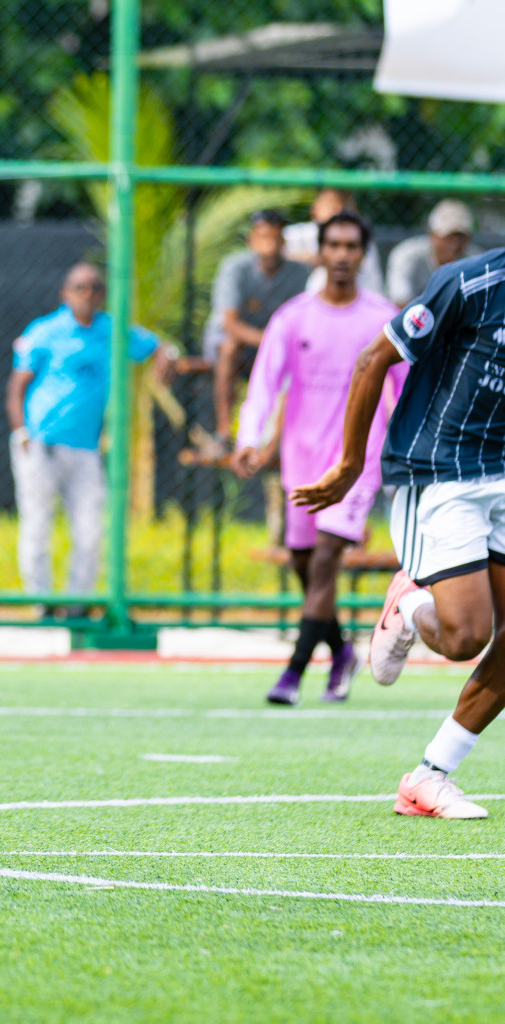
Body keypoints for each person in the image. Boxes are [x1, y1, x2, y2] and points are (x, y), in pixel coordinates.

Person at [293, 239, 505, 819]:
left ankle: (430, 777)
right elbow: (372, 360)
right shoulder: (468, 283)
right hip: (439, 472)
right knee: (465, 638)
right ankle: (410, 604)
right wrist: (348, 466)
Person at [230, 212, 403, 706]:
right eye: (335, 246)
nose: (343, 255)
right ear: (321, 253)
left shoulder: (380, 319)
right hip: (300, 459)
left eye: (352, 246)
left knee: (326, 558)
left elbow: (406, 388)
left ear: (362, 255)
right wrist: (248, 438)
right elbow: (264, 385)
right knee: (305, 564)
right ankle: (341, 652)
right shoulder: (293, 317)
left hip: (357, 461)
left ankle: (292, 674)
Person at [5, 263, 169, 612]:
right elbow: (17, 387)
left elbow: (157, 347)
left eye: (95, 288)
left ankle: (77, 603)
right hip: (41, 443)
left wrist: (165, 364)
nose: (87, 294)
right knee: (37, 525)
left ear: (103, 294)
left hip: (86, 447)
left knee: (91, 529)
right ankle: (42, 603)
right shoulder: (46, 331)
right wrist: (21, 433)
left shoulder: (111, 330)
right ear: (66, 293)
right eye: (80, 287)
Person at [210, 210, 311, 444]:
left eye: (275, 238)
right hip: (241, 345)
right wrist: (270, 341)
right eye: (263, 238)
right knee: (228, 347)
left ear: (283, 241)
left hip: (277, 347)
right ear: (251, 241)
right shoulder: (235, 268)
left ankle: (287, 435)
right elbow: (230, 323)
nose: (269, 246)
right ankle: (224, 433)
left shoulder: (298, 272)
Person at [285, 188, 383, 296]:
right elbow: (274, 242)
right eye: (328, 204)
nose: (335, 209)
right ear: (314, 209)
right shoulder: (303, 232)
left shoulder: (358, 237)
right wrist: (313, 258)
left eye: (339, 204)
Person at [386, 200, 480, 307]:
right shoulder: (407, 256)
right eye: (448, 236)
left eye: (461, 236)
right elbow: (400, 303)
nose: (455, 243)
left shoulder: (476, 261)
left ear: (470, 238)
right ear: (432, 234)